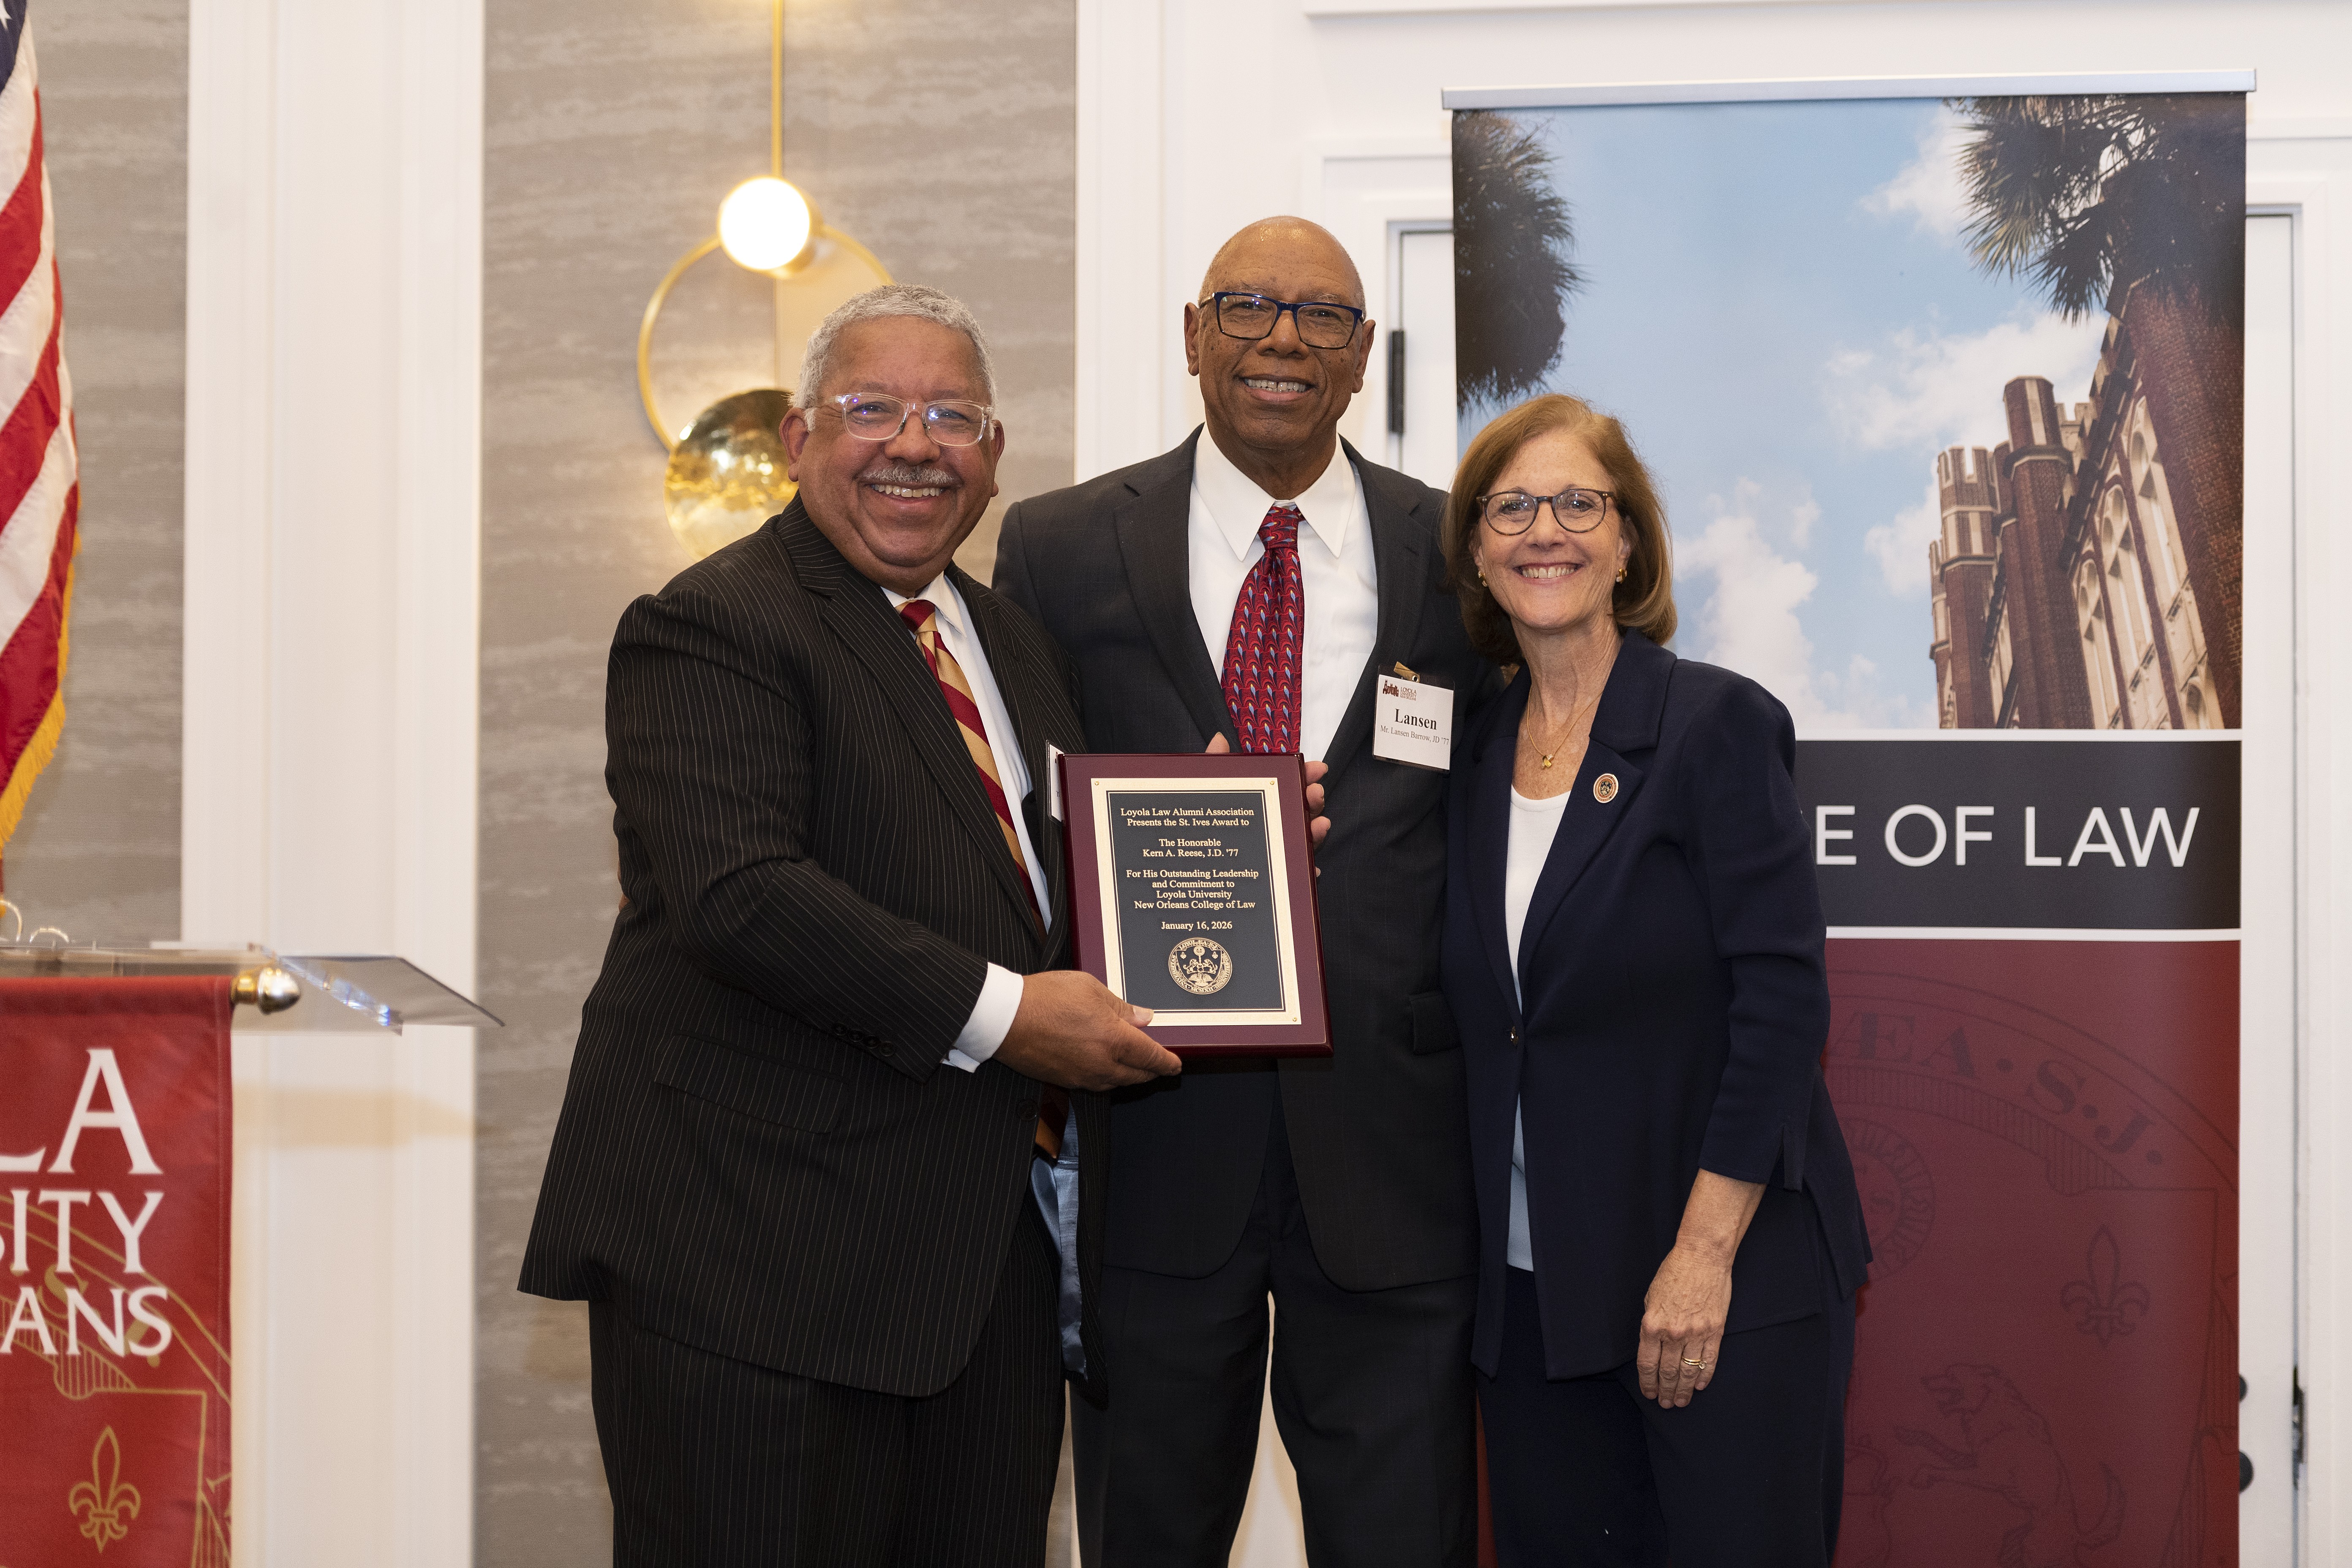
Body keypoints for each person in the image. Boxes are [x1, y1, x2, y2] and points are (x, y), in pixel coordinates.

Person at [519, 284, 1188, 1567]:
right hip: (750, 1269)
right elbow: (741, 895)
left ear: (994, 459)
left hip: (973, 1281)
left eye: (953, 417)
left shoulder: (1012, 643)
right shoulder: (712, 622)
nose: (914, 445)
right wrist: (1010, 1018)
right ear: (798, 439)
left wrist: (1212, 839)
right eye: (871, 410)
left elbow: (1045, 884)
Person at [995, 217, 1498, 1568]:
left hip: (1396, 1142)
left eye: (1324, 317)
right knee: (1148, 1533)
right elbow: (1014, 823)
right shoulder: (1054, 548)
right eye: (1250, 307)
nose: (1285, 338)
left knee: (1404, 1539)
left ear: (1363, 357)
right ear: (1192, 335)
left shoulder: (1462, 551)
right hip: (1160, 1133)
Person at [1437, 394, 1871, 1567]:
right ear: (1476, 549)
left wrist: (1701, 1259)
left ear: (1629, 541)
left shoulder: (1713, 725)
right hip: (1534, 1294)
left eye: (1581, 503)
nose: (1548, 531)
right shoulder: (1470, 752)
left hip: (1723, 1277)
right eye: (1513, 506)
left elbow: (1783, 1008)